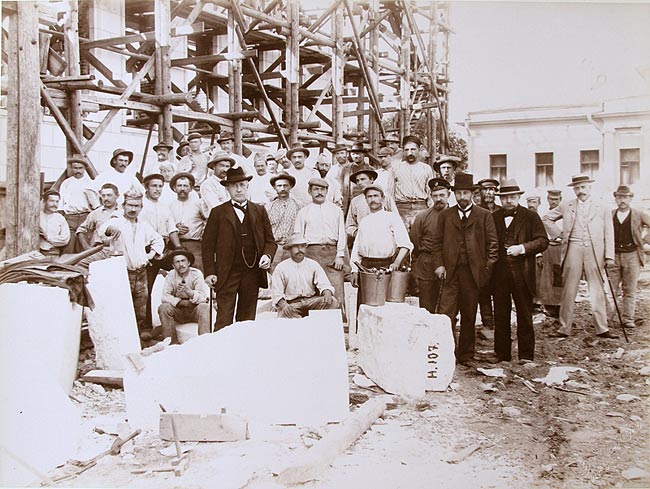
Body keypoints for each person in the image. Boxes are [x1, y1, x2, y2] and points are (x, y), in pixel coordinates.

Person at [432, 173, 499, 367]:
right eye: (459, 193)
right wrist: (439, 265)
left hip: (473, 274)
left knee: (469, 315)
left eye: (465, 193)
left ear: (472, 194)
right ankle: (447, 353)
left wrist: (485, 269)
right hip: (450, 273)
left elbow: (493, 246)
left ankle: (466, 355)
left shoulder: (484, 215)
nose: (462, 197)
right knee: (446, 315)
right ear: (454, 194)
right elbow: (436, 243)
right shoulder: (445, 215)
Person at [542, 175, 617, 339]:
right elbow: (546, 218)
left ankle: (602, 328)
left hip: (594, 250)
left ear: (589, 188)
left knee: (596, 289)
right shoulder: (567, 205)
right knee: (569, 289)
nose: (580, 191)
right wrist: (559, 234)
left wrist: (609, 256)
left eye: (583, 187)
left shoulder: (602, 207)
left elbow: (609, 233)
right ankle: (564, 327)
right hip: (573, 249)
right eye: (577, 188)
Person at [202, 167, 277, 330]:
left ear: (247, 186)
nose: (238, 189)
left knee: (247, 320)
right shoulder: (217, 212)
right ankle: (221, 353)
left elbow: (270, 241)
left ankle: (243, 352)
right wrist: (210, 272)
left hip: (252, 272)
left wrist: (267, 256)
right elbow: (207, 246)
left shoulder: (259, 210)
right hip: (227, 272)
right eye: (234, 185)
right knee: (224, 318)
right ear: (227, 188)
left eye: (242, 185)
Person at [489, 180, 548, 364]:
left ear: (519, 197)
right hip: (499, 274)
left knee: (524, 313)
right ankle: (502, 354)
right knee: (500, 313)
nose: (509, 201)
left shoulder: (531, 217)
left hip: (522, 272)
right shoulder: (494, 217)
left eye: (512, 197)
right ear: (500, 199)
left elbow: (542, 241)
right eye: (505, 197)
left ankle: (526, 355)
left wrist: (522, 248)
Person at [98, 188, 164, 341]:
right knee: (122, 307)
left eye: (137, 206)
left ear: (141, 207)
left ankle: (137, 342)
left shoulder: (143, 225)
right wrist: (110, 230)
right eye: (130, 205)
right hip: (122, 272)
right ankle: (121, 341)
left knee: (141, 308)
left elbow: (158, 240)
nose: (133, 209)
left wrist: (151, 254)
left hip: (141, 273)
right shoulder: (117, 221)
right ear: (124, 206)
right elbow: (103, 231)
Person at [293, 178, 347, 319]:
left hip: (332, 254)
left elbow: (342, 233)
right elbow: (298, 237)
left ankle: (339, 325)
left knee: (336, 290)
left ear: (327, 191)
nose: (319, 192)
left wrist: (340, 255)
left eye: (322, 189)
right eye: (316, 189)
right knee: (314, 290)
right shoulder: (303, 212)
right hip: (312, 254)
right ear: (309, 191)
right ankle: (316, 325)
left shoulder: (336, 211)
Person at [350, 185, 413, 305]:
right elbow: (356, 248)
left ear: (383, 199)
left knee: (385, 307)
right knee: (364, 307)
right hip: (366, 267)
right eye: (369, 197)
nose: (372, 199)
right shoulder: (364, 221)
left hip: (386, 266)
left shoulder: (392, 217)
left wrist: (396, 263)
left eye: (375, 196)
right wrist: (354, 271)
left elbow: (405, 245)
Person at [140, 173, 182, 328]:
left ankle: (183, 312)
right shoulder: (141, 206)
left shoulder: (164, 207)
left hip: (164, 248)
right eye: (154, 186)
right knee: (146, 289)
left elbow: (172, 229)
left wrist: (179, 249)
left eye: (160, 186)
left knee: (182, 271)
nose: (157, 189)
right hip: (146, 250)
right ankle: (145, 325)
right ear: (146, 187)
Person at [607, 185, 650, 330]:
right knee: (611, 290)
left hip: (632, 256)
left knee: (630, 290)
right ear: (615, 199)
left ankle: (628, 319)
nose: (622, 200)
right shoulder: (610, 214)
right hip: (613, 256)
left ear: (631, 198)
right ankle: (608, 319)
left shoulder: (638, 214)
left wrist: (643, 240)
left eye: (625, 197)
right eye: (619, 197)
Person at [271, 233, 340, 318]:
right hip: (292, 304)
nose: (300, 250)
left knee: (333, 302)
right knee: (283, 313)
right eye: (296, 247)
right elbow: (277, 293)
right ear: (289, 249)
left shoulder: (313, 264)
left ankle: (321, 327)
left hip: (311, 302)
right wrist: (284, 305)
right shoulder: (281, 267)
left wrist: (327, 292)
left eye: (303, 246)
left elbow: (324, 284)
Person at [410, 178, 450, 314]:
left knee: (448, 305)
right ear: (431, 196)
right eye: (435, 195)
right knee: (426, 307)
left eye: (442, 195)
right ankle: (427, 334)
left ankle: (447, 333)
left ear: (448, 195)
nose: (438, 199)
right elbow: (415, 241)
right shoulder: (422, 217)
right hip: (427, 264)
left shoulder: (455, 215)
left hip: (450, 263)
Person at [158, 249, 211, 342]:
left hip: (194, 309)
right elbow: (164, 296)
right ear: (173, 265)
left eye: (183, 261)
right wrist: (180, 302)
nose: (181, 264)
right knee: (163, 307)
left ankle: (204, 341)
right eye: (177, 262)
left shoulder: (196, 274)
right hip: (178, 310)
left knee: (204, 307)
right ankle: (172, 344)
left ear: (189, 262)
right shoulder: (171, 275)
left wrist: (189, 292)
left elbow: (203, 297)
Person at [58, 155, 100, 253]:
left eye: (80, 168)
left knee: (83, 245)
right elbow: (61, 202)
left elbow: (95, 203)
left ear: (85, 168)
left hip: (85, 217)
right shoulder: (66, 183)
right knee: (68, 245)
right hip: (70, 217)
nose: (78, 171)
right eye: (75, 168)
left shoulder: (91, 183)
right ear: (71, 168)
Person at [476, 178, 501, 334]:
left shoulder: (501, 211)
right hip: (482, 256)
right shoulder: (476, 211)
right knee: (483, 290)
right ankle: (488, 324)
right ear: (480, 192)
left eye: (492, 189)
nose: (489, 193)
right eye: (485, 189)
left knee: (499, 291)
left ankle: (500, 323)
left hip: (501, 258)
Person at [393, 135, 434, 229]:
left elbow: (430, 193)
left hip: (421, 207)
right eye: (406, 150)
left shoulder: (426, 168)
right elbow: (390, 192)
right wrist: (393, 212)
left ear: (419, 149)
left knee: (421, 237)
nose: (410, 153)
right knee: (403, 239)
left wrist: (431, 211)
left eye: (413, 149)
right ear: (403, 150)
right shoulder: (396, 168)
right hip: (401, 208)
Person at [345, 166, 395, 242]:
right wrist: (356, 233)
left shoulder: (385, 196)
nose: (360, 183)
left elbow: (395, 218)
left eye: (362, 179)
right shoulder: (355, 201)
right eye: (357, 181)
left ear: (371, 180)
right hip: (364, 239)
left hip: (384, 238)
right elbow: (349, 225)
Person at [169, 172, 207, 271]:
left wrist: (203, 232)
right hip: (177, 245)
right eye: (179, 186)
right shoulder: (169, 206)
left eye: (185, 186)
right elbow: (167, 225)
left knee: (198, 272)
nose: (182, 189)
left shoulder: (198, 204)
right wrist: (176, 228)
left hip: (195, 245)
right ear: (174, 188)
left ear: (190, 188)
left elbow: (208, 219)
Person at [266, 173, 301, 269]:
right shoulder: (268, 207)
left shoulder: (298, 206)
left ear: (290, 187)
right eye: (279, 186)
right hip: (275, 248)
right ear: (274, 187)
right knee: (274, 276)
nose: (282, 188)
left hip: (292, 248)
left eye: (285, 185)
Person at [539, 189, 564, 317]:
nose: (554, 202)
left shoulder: (565, 214)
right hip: (547, 248)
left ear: (560, 200)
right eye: (551, 199)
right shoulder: (544, 214)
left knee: (558, 277)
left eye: (556, 199)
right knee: (546, 277)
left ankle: (559, 305)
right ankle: (549, 306)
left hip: (560, 248)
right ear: (547, 199)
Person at [76, 183, 121, 251]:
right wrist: (87, 247)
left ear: (117, 196)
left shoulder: (123, 212)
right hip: (100, 249)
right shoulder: (95, 213)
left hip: (120, 249)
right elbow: (81, 230)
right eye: (103, 196)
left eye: (109, 195)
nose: (106, 198)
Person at [338, 142, 367, 216]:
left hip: (363, 202)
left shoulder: (370, 169)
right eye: (353, 154)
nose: (356, 156)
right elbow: (340, 186)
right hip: (347, 203)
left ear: (363, 154)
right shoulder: (345, 168)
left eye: (358, 153)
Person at [39, 190, 70, 256]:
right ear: (44, 202)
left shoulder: (60, 218)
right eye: (51, 201)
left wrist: (48, 237)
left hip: (53, 254)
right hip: (36, 253)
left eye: (57, 202)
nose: (54, 204)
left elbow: (65, 239)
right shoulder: (36, 217)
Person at [287, 143, 318, 208]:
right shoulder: (286, 174)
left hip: (310, 207)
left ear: (305, 157)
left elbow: (317, 192)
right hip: (291, 208)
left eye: (300, 157)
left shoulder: (313, 173)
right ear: (290, 159)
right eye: (294, 157)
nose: (297, 160)